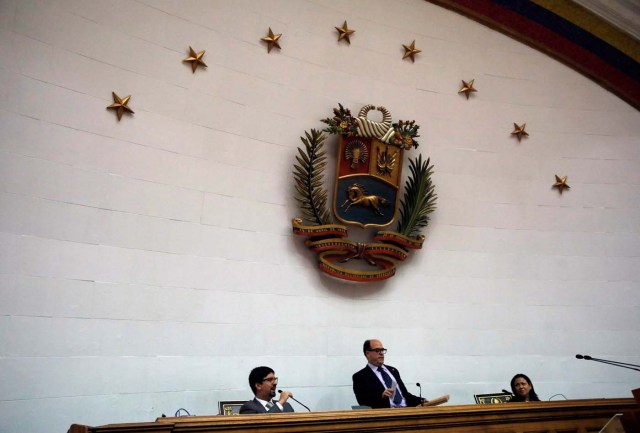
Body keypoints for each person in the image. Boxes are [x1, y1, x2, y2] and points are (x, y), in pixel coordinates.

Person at [352, 339, 426, 408]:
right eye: (377, 350)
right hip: (386, 416)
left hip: (407, 412)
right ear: (367, 353)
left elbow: (405, 395)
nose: (381, 353)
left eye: (382, 350)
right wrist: (381, 396)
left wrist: (422, 401)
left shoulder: (393, 371)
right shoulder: (360, 377)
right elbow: (363, 402)